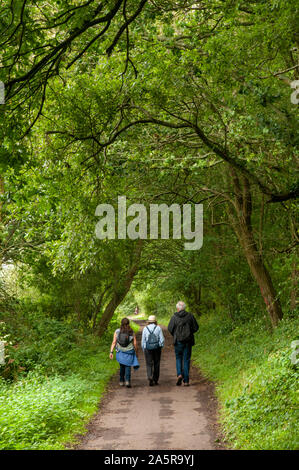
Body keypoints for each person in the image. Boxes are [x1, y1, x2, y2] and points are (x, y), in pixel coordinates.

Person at [167, 301, 199, 386]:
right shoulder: (190, 316)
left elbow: (170, 328)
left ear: (177, 308)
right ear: (184, 308)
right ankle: (186, 381)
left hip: (178, 342)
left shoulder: (174, 317)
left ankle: (179, 374)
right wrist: (190, 333)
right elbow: (196, 328)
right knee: (186, 360)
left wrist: (176, 334)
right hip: (188, 342)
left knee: (178, 358)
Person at [110, 317, 139, 388]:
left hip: (120, 352)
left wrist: (111, 352)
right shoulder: (131, 331)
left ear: (121, 323)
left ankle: (121, 380)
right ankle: (127, 381)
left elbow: (114, 342)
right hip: (129, 351)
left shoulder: (117, 331)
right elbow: (135, 343)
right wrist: (136, 352)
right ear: (128, 324)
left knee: (122, 366)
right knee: (128, 366)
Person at [141, 315, 165, 386]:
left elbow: (143, 340)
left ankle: (149, 376)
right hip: (157, 348)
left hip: (147, 348)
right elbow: (162, 339)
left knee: (149, 363)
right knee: (156, 363)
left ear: (149, 322)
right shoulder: (158, 328)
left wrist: (143, 348)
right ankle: (155, 379)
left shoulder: (145, 328)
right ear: (155, 321)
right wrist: (161, 346)